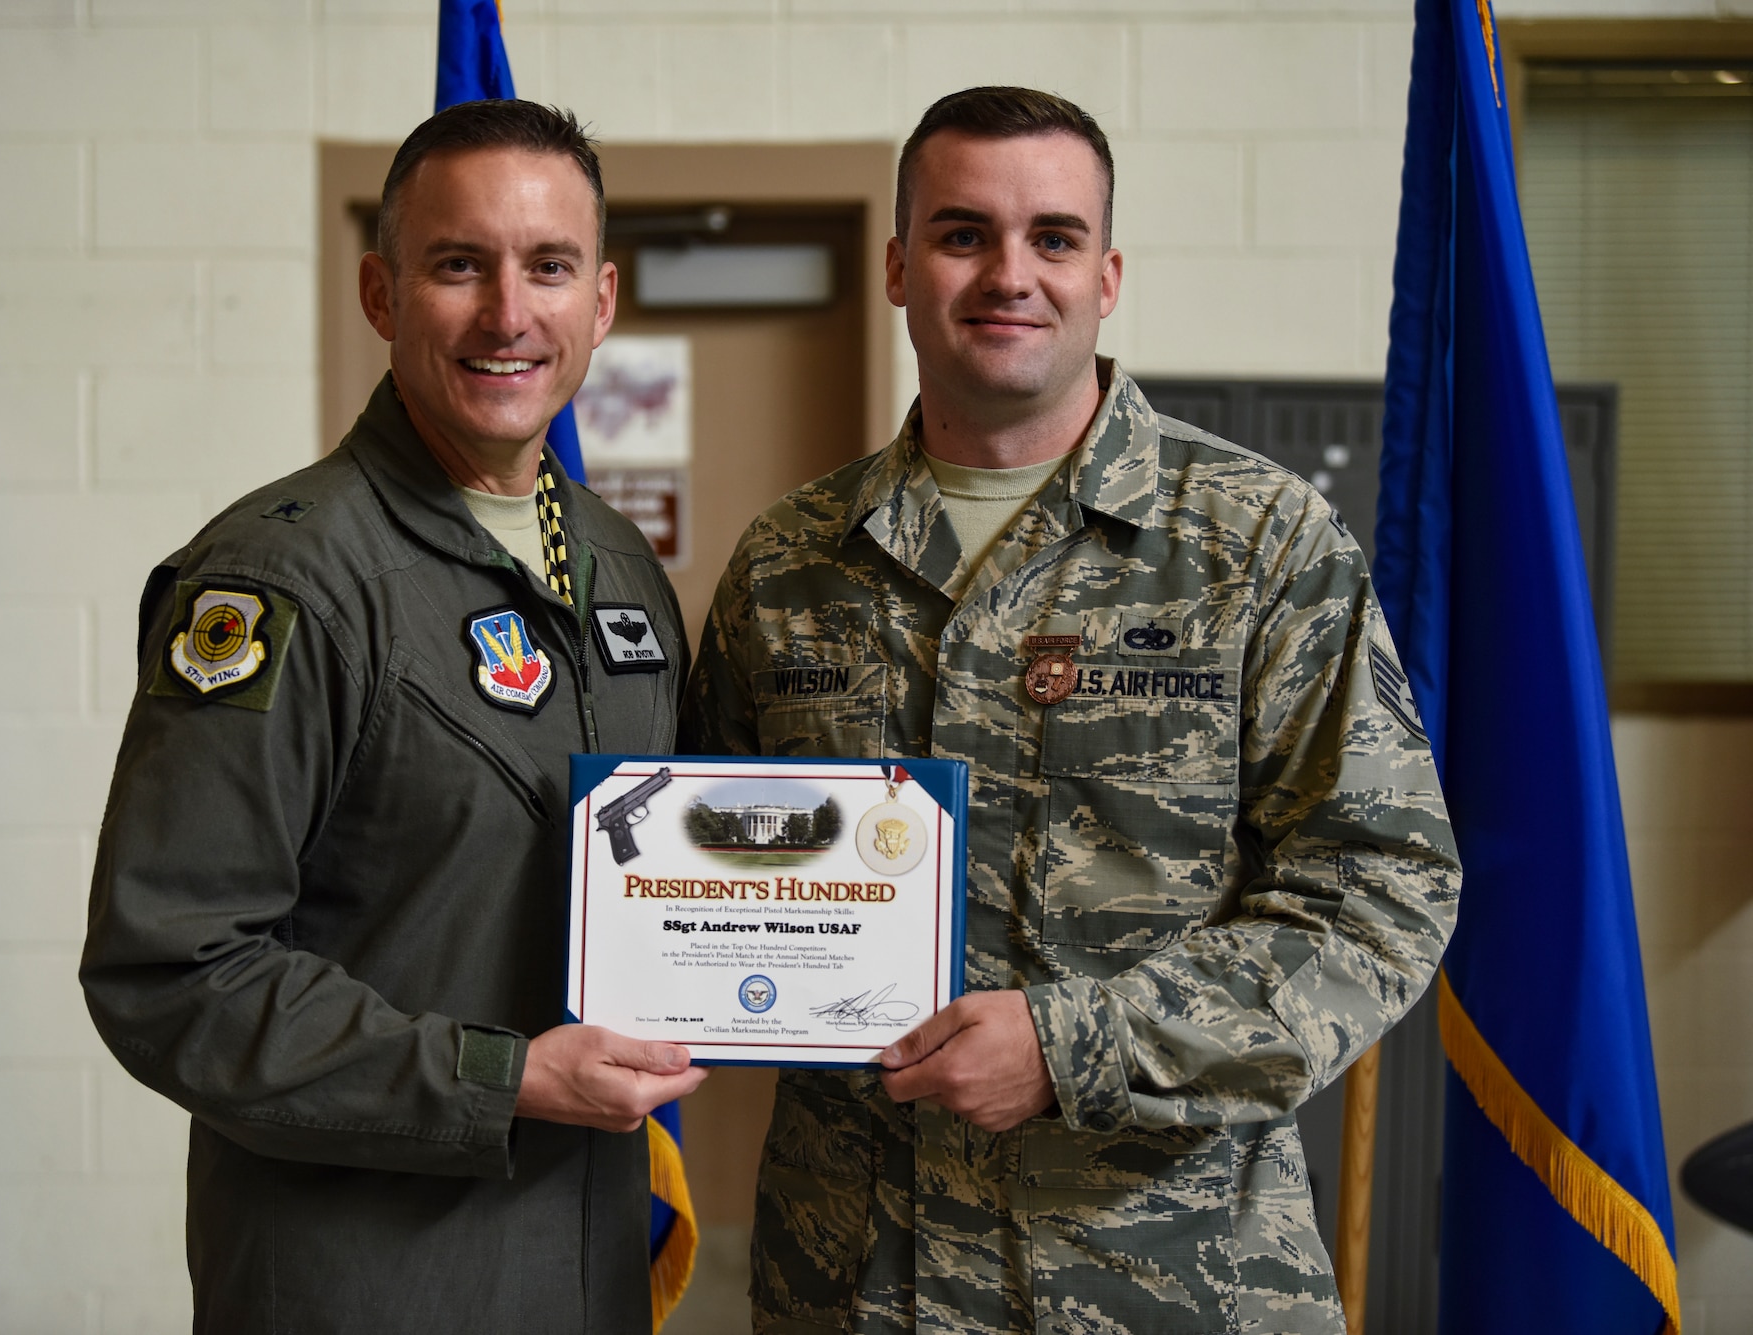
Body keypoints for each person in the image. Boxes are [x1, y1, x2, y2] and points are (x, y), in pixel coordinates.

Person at [679, 86, 1462, 1334]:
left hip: (1172, 1279)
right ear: (896, 266)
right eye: (959, 234)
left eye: (1049, 238)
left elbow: (1379, 887)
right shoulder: (789, 563)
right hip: (857, 1280)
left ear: (1105, 274)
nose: (1008, 274)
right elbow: (703, 849)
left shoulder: (1256, 543)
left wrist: (1076, 1045)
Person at [79, 100, 705, 1335]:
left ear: (603, 301)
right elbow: (173, 971)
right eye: (457, 264)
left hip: (582, 1270)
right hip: (367, 1283)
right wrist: (498, 1078)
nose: (508, 314)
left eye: (548, 267)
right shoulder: (280, 583)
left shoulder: (621, 566)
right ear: (380, 292)